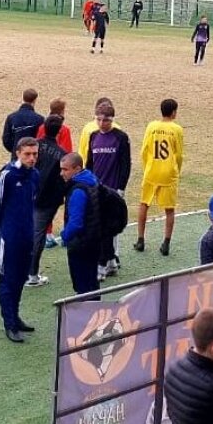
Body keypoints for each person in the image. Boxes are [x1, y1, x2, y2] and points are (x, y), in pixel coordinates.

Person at [0, 138, 40, 343]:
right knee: (8, 280)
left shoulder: (35, 175)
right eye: (27, 154)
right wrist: (3, 228)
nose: (32, 158)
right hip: (9, 238)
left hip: (28, 235)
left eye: (35, 154)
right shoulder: (7, 176)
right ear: (17, 153)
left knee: (20, 278)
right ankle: (9, 324)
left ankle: (16, 317)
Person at [88, 102, 132, 278]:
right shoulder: (93, 136)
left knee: (108, 229)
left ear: (112, 120)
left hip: (113, 191)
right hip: (97, 190)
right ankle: (111, 261)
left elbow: (125, 164)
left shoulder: (120, 137)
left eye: (105, 120)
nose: (101, 123)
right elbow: (90, 162)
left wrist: (121, 187)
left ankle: (103, 265)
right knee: (101, 228)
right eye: (98, 119)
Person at [135, 98, 184, 256]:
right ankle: (166, 243)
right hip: (168, 173)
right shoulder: (177, 129)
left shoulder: (151, 126)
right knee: (169, 209)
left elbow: (144, 150)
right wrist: (177, 170)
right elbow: (179, 154)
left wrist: (147, 167)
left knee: (144, 204)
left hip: (151, 171)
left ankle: (141, 240)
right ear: (174, 112)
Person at [28, 115, 67, 287]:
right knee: (38, 235)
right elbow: (62, 180)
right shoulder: (62, 155)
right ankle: (31, 274)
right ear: (59, 131)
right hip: (47, 201)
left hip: (27, 195)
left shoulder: (32, 146)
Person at [58, 152, 102, 294]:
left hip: (80, 244)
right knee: (92, 283)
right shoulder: (93, 180)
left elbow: (76, 223)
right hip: (94, 239)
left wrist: (65, 236)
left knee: (82, 286)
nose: (61, 173)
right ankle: (96, 312)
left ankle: (86, 314)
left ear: (77, 169)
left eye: (65, 169)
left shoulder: (78, 191)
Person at [2, 89, 44, 159]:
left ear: (23, 98)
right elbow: (41, 140)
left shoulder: (11, 117)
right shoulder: (39, 119)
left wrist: (15, 150)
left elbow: (6, 139)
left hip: (16, 156)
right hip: (32, 158)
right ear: (35, 100)